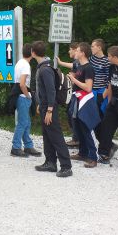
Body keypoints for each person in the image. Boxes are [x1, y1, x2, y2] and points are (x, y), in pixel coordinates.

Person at [31, 41, 73, 177]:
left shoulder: (45, 69)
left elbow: (51, 91)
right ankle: (50, 162)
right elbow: (43, 90)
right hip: (44, 105)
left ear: (33, 52)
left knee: (56, 136)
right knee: (47, 135)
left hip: (50, 107)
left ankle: (66, 166)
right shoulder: (43, 66)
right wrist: (40, 104)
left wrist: (49, 110)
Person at [67, 43, 99, 168]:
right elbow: (78, 82)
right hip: (77, 99)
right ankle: (82, 153)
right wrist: (71, 78)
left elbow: (88, 88)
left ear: (83, 53)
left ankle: (93, 157)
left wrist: (74, 80)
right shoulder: (79, 67)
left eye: (78, 50)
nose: (75, 52)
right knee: (78, 127)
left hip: (85, 100)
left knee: (86, 127)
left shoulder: (88, 68)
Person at [89, 39, 118, 161]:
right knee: (94, 121)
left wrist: (105, 95)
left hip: (102, 92)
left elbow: (110, 80)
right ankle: (108, 145)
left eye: (93, 46)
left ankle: (106, 147)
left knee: (101, 120)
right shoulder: (91, 59)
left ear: (99, 47)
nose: (91, 48)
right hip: (92, 91)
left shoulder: (107, 61)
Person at [10, 43, 41, 157]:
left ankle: (28, 145)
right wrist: (28, 96)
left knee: (26, 121)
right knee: (23, 122)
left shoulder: (20, 62)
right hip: (23, 96)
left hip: (19, 95)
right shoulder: (26, 66)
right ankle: (16, 147)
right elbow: (22, 84)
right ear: (32, 53)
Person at [55, 42, 80, 148]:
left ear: (75, 50)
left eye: (70, 49)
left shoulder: (79, 61)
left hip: (79, 93)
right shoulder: (76, 62)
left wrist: (68, 78)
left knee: (72, 114)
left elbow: (75, 76)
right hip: (75, 92)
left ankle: (77, 139)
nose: (69, 51)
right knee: (70, 113)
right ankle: (76, 137)